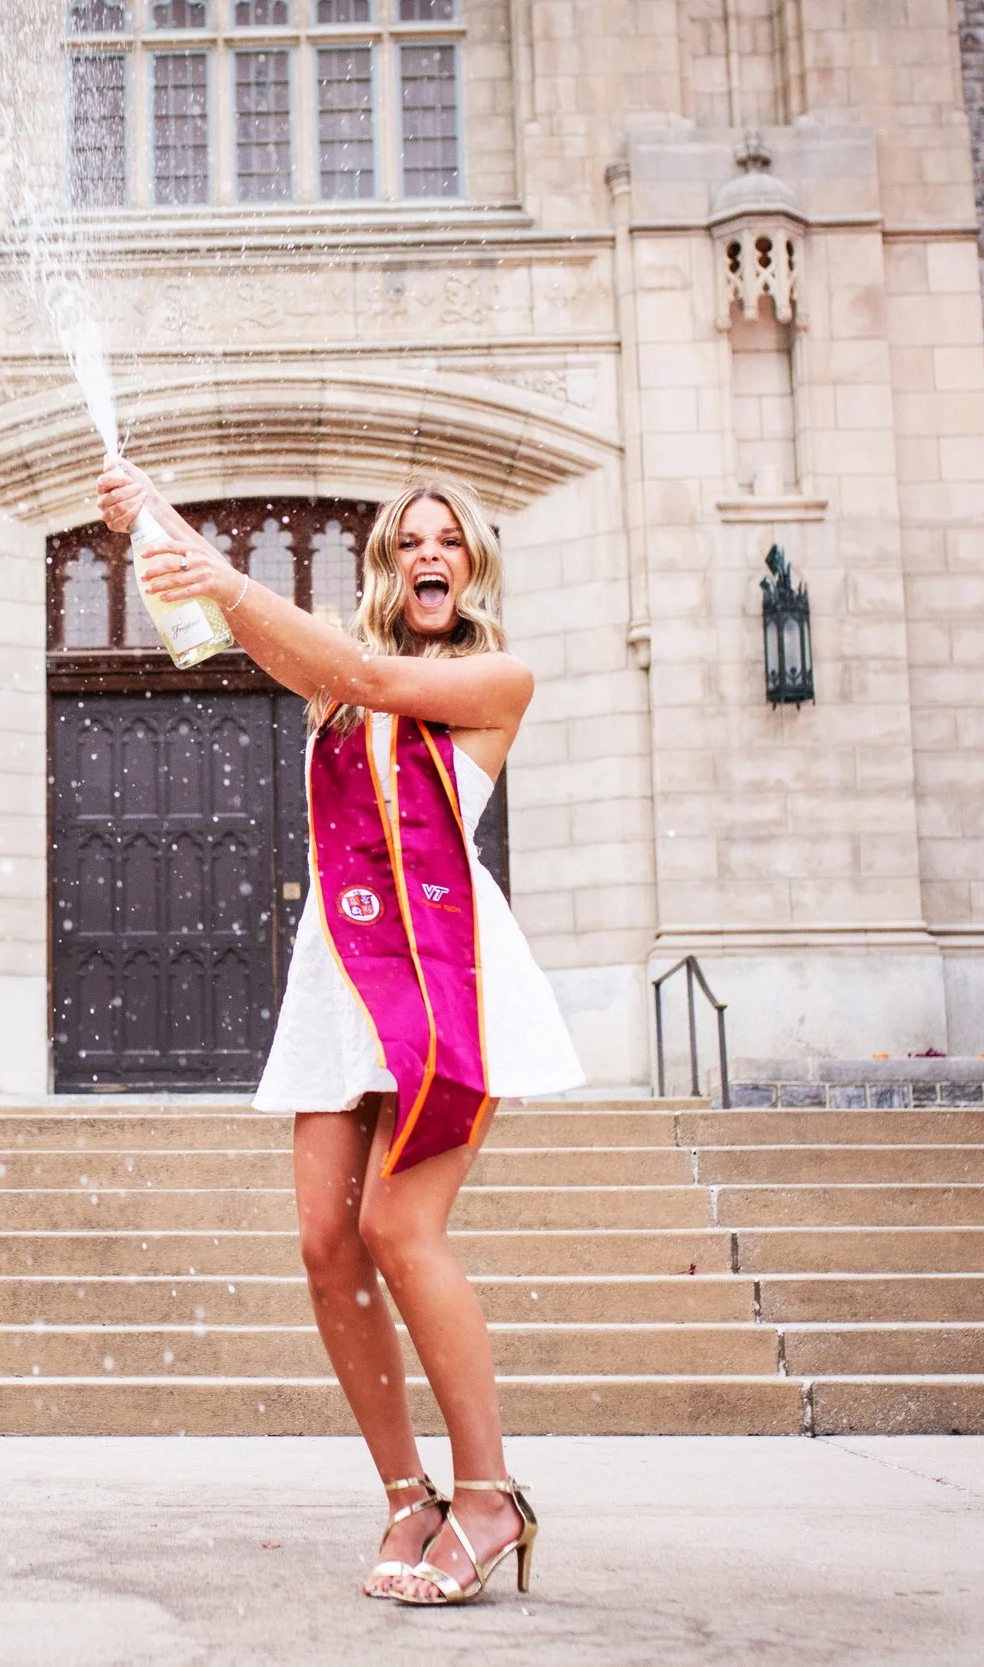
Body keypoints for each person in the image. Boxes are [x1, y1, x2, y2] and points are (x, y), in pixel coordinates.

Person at [96, 463, 586, 1607]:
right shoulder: (339, 690)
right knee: (327, 1240)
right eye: (410, 540)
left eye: (449, 540)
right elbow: (290, 650)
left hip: (444, 972)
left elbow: (361, 664)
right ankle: (407, 1492)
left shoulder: (492, 678)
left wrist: (217, 571)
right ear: (386, 563)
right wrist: (153, 515)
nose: (430, 553)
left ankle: (487, 1493)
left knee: (397, 1224)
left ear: (472, 563)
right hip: (341, 971)